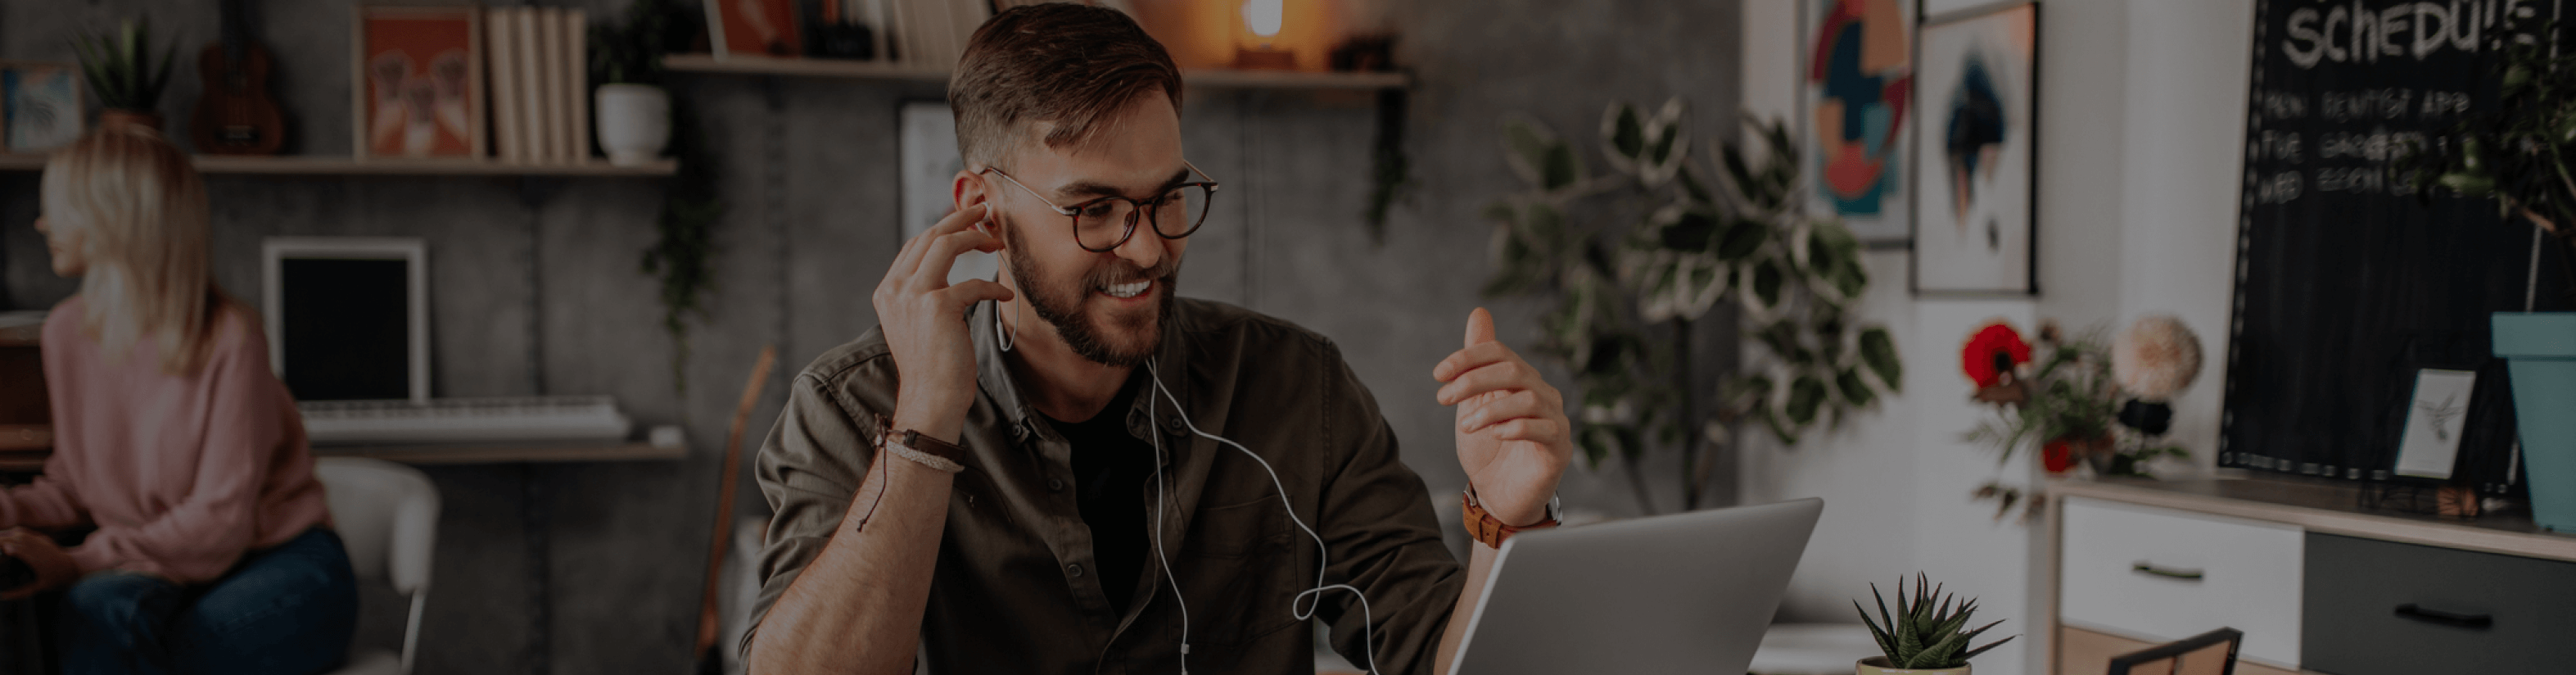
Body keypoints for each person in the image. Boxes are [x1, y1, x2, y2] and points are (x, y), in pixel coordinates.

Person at [742, 5, 1573, 674]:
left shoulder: (1295, 384)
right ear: (982, 212)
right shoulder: (850, 406)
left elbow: (1431, 654)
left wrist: (1506, 519)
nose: (1147, 247)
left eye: (1166, 197)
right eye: (1094, 209)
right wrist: (924, 423)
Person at [0, 128, 356, 675]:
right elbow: (73, 486)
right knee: (94, 612)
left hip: (279, 562)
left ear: (113, 217)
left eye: (58, 209)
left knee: (170, 643)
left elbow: (219, 524)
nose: (42, 224)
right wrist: (11, 511)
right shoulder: (66, 333)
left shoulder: (231, 336)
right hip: (158, 564)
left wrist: (77, 561)